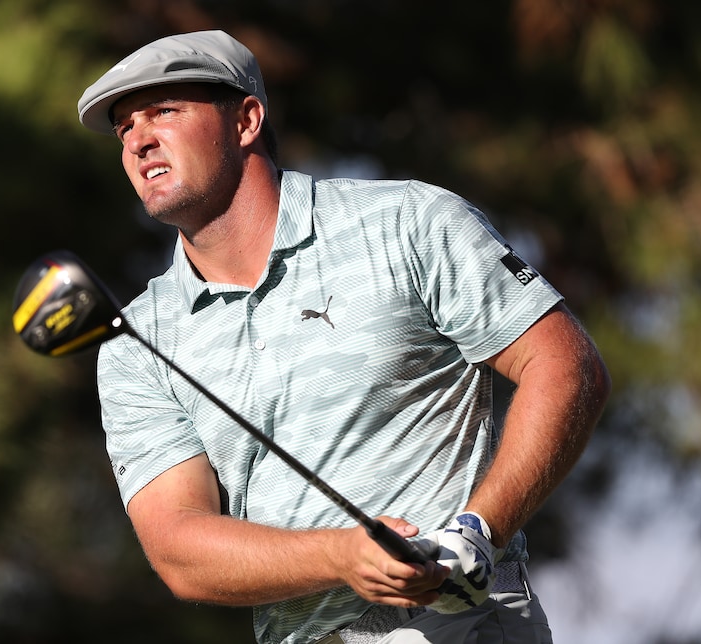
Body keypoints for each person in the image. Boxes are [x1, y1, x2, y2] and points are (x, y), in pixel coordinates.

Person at [77, 30, 611, 644]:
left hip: (457, 623)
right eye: (125, 129)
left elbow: (565, 364)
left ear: (247, 119)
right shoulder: (135, 341)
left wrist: (478, 532)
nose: (140, 140)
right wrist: (343, 557)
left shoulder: (405, 222)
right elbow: (178, 547)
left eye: (165, 112)